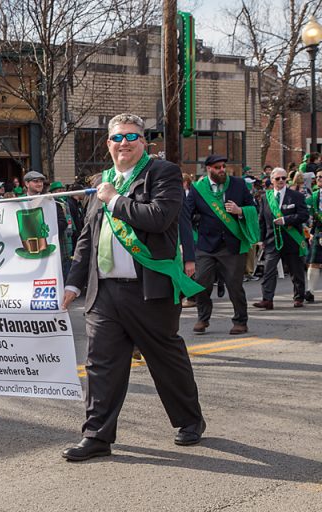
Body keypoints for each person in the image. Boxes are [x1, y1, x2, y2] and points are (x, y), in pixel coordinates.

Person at [61, 113, 205, 461]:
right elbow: (87, 238)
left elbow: (159, 218)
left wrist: (113, 200)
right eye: (116, 138)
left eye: (130, 137)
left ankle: (189, 421)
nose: (123, 143)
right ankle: (96, 436)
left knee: (164, 359)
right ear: (108, 144)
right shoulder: (102, 180)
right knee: (101, 365)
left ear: (144, 143)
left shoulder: (162, 173)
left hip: (148, 288)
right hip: (104, 292)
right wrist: (73, 283)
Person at [186, 155, 258, 335]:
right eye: (217, 167)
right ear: (208, 169)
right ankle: (203, 318)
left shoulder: (238, 184)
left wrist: (240, 211)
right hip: (206, 245)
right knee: (201, 282)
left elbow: (253, 207)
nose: (222, 170)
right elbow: (186, 214)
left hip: (232, 245)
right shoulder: (197, 189)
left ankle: (240, 321)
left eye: (223, 166)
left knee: (235, 285)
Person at [254, 167, 310, 309]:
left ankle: (299, 297)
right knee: (269, 270)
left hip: (292, 239)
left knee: (296, 271)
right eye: (277, 178)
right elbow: (261, 221)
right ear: (271, 180)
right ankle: (267, 299)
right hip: (272, 240)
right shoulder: (266, 197)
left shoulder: (296, 196)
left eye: (283, 178)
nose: (281, 181)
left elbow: (303, 215)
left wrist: (285, 220)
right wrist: (261, 239)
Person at [305, 170, 322, 302]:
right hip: (318, 232)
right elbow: (311, 217)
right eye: (317, 177)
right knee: (313, 262)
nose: (319, 179)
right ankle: (310, 291)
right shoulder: (314, 196)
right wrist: (311, 233)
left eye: (321, 177)